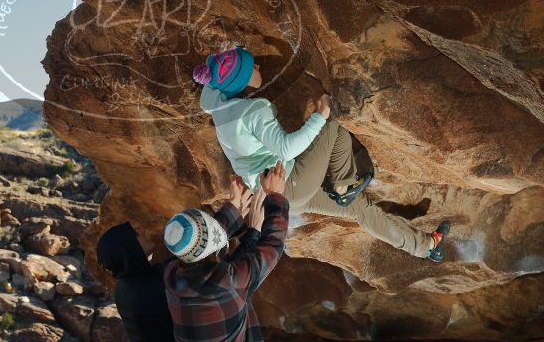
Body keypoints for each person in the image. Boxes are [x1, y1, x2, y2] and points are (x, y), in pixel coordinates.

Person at [192, 45, 449, 262]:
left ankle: (426, 247)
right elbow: (286, 148)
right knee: (335, 124)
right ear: (240, 79)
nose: (258, 66)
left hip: (280, 197)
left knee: (359, 207)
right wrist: (320, 115)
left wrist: (229, 57)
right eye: (252, 67)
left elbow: (216, 81)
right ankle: (342, 186)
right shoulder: (253, 110)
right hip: (289, 182)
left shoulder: (220, 110)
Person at [162, 164, 287, 342]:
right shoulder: (228, 280)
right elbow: (272, 245)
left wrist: (236, 210)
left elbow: (203, 247)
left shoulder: (171, 276)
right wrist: (274, 197)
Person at [96, 221, 175, 342]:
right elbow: (193, 262)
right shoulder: (149, 291)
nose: (143, 230)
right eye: (135, 232)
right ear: (130, 247)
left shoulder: (128, 285)